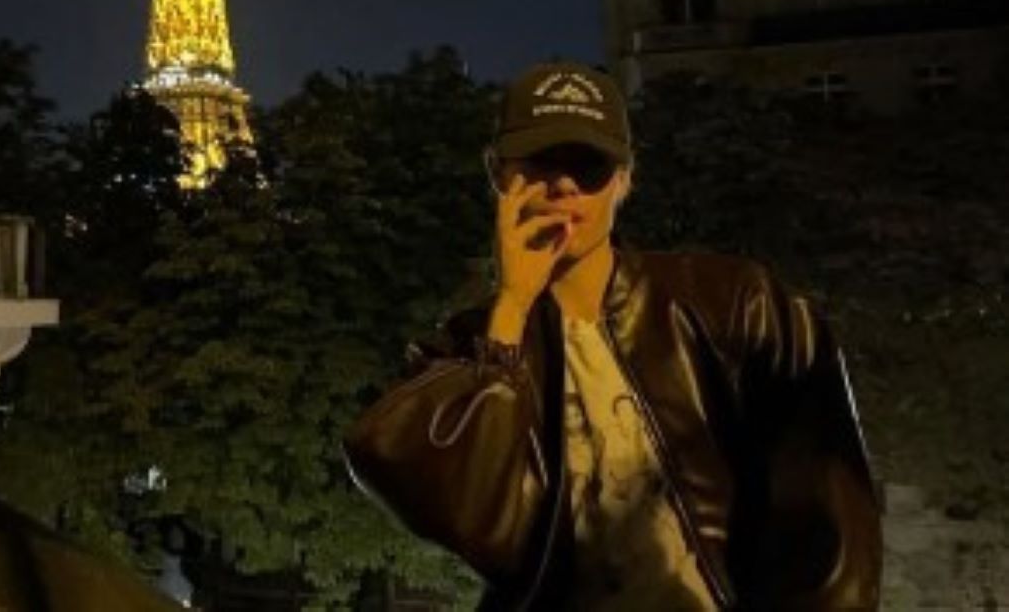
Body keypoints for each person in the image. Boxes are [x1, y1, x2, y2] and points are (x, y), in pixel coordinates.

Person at [343, 61, 882, 610]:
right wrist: (510, 311)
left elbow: (831, 512)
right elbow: (442, 500)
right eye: (540, 162)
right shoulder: (470, 349)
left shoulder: (734, 303)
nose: (563, 185)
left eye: (588, 166)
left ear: (624, 178)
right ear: (497, 173)